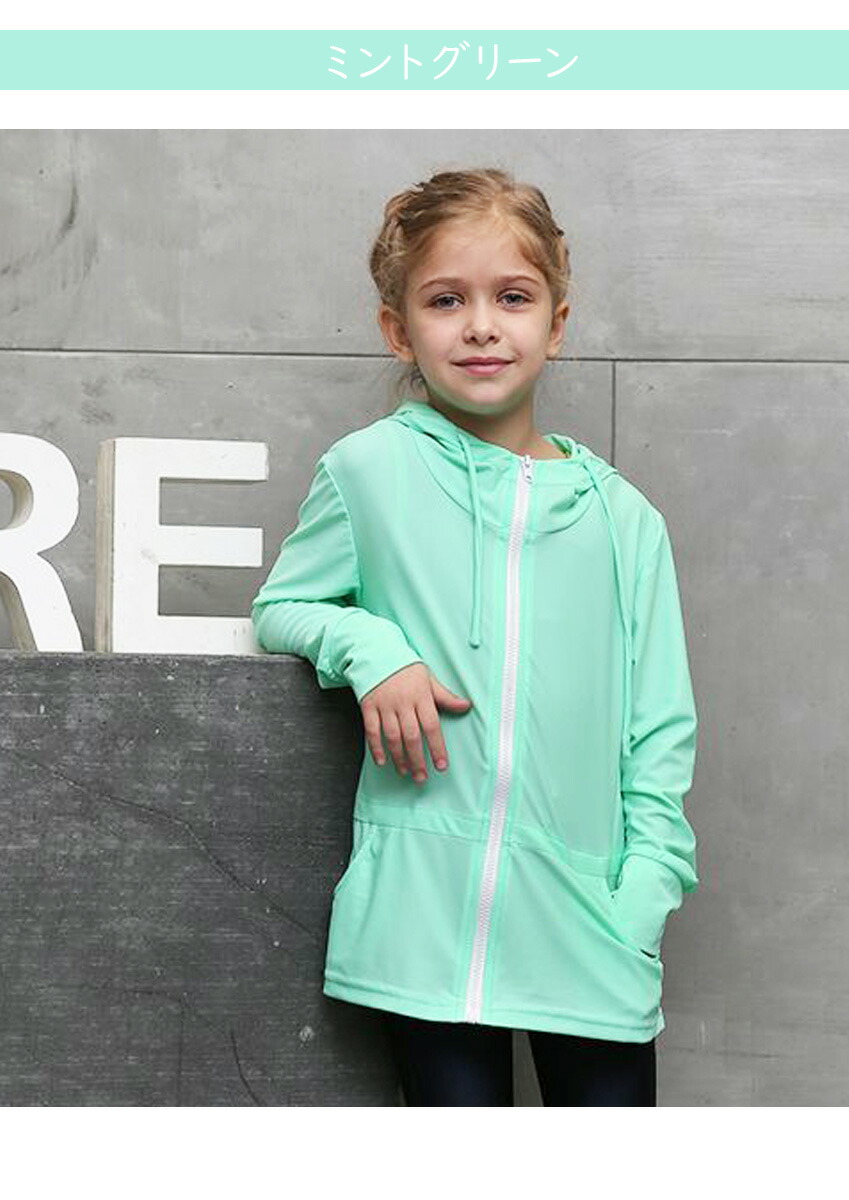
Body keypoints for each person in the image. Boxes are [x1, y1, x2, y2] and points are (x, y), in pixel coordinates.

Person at [250, 167, 699, 1106]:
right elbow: (284, 606)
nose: (482, 326)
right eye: (447, 300)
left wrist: (645, 894)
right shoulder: (368, 472)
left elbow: (660, 727)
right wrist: (375, 650)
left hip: (592, 919)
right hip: (427, 920)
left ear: (557, 324)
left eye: (513, 298)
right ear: (398, 328)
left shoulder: (626, 521)